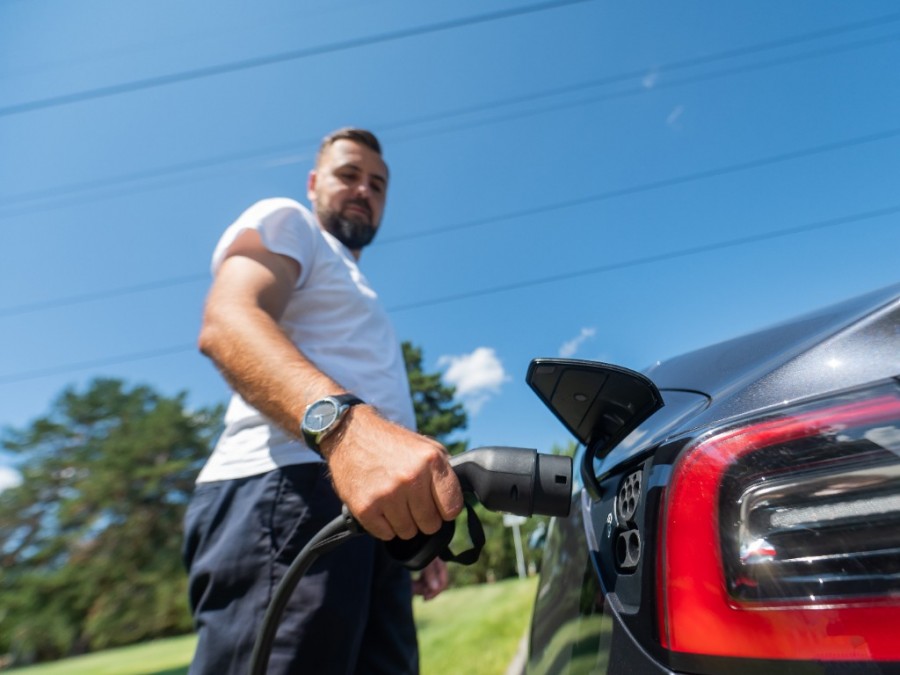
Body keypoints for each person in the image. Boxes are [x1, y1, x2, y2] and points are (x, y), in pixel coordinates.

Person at [182, 127, 464, 675]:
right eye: (349, 175)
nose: (364, 190)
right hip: (288, 492)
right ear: (314, 183)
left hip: (369, 516)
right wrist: (345, 429)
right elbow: (228, 322)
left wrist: (416, 529)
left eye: (378, 184)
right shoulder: (289, 221)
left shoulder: (356, 283)